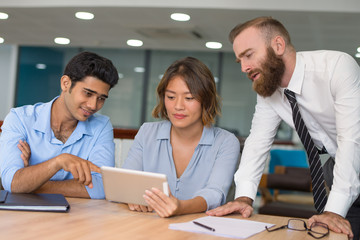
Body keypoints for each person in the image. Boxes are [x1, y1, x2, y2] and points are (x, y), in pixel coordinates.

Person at [206, 17, 360, 239]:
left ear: (278, 46)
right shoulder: (270, 92)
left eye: (248, 55)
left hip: (350, 160)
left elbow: (350, 141)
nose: (244, 67)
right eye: (239, 60)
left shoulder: (337, 67)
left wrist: (334, 210)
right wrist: (243, 198)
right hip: (341, 176)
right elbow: (257, 143)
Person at [122, 57, 240, 217]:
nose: (178, 106)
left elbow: (215, 193)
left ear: (206, 99)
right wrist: (131, 197)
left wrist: (180, 207)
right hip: (150, 226)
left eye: (189, 98)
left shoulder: (226, 142)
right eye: (171, 97)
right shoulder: (147, 132)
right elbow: (127, 180)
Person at [0, 51, 119, 199]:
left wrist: (31, 181)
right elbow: (12, 183)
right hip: (25, 217)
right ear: (65, 83)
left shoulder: (101, 126)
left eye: (101, 98)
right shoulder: (20, 119)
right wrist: (59, 161)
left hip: (76, 217)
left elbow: (101, 188)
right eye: (88, 94)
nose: (93, 105)